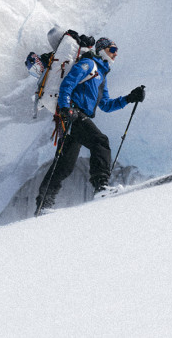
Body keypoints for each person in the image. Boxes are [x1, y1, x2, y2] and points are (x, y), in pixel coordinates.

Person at [35, 37, 145, 213]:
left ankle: (43, 205)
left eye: (116, 50)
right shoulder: (88, 64)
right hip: (72, 113)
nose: (115, 53)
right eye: (112, 49)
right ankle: (101, 187)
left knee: (64, 164)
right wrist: (65, 108)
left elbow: (106, 105)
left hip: (74, 116)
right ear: (101, 49)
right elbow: (67, 84)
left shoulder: (101, 75)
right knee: (100, 141)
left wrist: (129, 98)